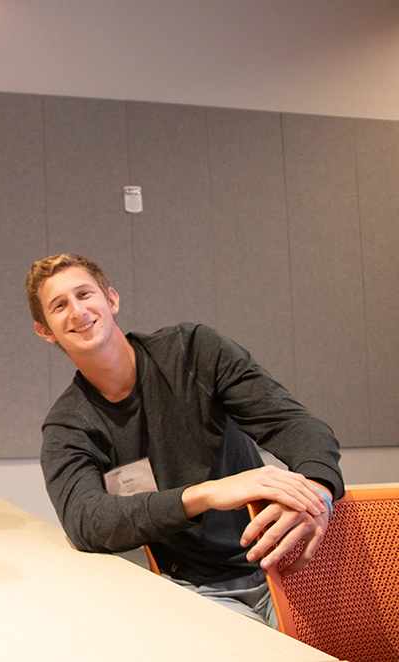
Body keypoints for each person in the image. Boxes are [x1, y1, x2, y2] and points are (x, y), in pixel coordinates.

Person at [25, 253, 343, 627]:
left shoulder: (193, 351)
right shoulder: (67, 426)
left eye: (84, 294)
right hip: (195, 588)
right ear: (45, 330)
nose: (77, 311)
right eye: (59, 305)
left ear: (111, 300)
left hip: (283, 564)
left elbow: (294, 424)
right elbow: (85, 521)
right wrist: (204, 494)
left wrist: (318, 488)